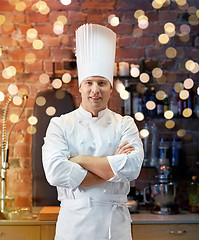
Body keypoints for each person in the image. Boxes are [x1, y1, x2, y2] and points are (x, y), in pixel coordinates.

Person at [42, 23, 144, 240]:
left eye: (102, 83)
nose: (95, 90)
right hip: (74, 228)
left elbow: (132, 168)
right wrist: (111, 167)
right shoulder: (60, 125)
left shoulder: (125, 124)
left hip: (114, 229)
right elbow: (55, 172)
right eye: (89, 82)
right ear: (80, 86)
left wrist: (79, 159)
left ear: (110, 87)